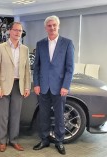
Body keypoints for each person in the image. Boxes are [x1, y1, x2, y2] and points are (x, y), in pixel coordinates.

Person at [32, 15, 74, 155]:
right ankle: (44, 139)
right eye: (49, 25)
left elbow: (70, 68)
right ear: (45, 28)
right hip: (43, 86)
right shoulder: (40, 44)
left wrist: (65, 86)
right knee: (43, 114)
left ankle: (59, 141)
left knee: (59, 115)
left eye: (54, 25)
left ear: (58, 26)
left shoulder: (67, 43)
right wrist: (36, 84)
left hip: (59, 87)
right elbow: (36, 67)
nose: (52, 27)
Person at [0, 21, 31, 152]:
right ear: (10, 31)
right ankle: (2, 141)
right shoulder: (0, 47)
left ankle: (13, 140)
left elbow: (27, 70)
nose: (18, 33)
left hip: (18, 85)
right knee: (3, 116)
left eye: (20, 31)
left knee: (15, 115)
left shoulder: (25, 49)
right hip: (3, 86)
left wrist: (27, 87)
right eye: (15, 30)